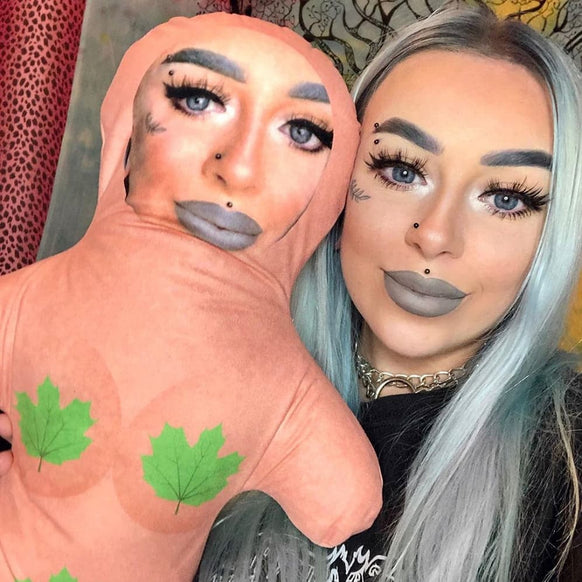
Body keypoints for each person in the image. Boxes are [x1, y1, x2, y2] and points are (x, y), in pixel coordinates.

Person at [197, 4, 582, 581]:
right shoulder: (212, 377)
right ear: (337, 180)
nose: (434, 235)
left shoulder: (568, 457)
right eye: (402, 170)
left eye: (506, 198)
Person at [0, 13, 382, 582]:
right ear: (128, 124)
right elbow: (342, 501)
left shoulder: (279, 380)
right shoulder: (26, 301)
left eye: (302, 132)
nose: (239, 167)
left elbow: (345, 504)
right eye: (197, 101)